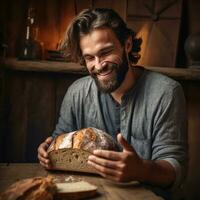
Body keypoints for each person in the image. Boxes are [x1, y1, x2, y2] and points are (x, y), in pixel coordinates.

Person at [37, 8, 187, 199]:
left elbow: (175, 170)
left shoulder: (166, 92)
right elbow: (59, 142)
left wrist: (142, 170)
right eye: (90, 57)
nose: (99, 65)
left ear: (127, 44)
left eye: (106, 52)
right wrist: (47, 152)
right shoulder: (77, 93)